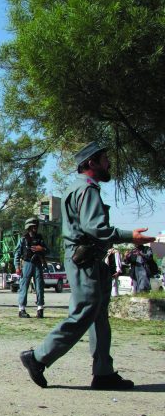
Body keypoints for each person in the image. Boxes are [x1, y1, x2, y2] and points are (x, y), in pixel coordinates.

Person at [20, 142, 155, 390]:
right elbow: (96, 228)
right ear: (91, 163)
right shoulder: (87, 189)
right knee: (84, 312)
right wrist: (129, 236)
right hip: (84, 261)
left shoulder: (78, 189)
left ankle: (103, 372)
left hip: (90, 260)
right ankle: (38, 357)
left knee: (98, 316)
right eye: (104, 159)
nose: (108, 163)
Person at [14, 217, 48, 318]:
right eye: (33, 226)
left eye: (36, 226)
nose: (35, 228)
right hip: (27, 263)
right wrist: (17, 267)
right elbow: (17, 253)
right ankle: (21, 309)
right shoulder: (23, 239)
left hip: (38, 264)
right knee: (23, 287)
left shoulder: (40, 239)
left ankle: (40, 308)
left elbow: (48, 250)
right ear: (28, 227)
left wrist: (41, 248)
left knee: (39, 286)